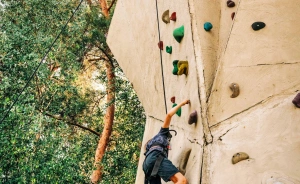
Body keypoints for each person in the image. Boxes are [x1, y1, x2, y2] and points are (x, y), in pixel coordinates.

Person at [143, 99, 190, 184]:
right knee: (182, 181)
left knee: (176, 180)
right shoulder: (162, 134)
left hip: (146, 166)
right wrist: (182, 103)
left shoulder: (149, 149)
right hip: (156, 158)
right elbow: (169, 115)